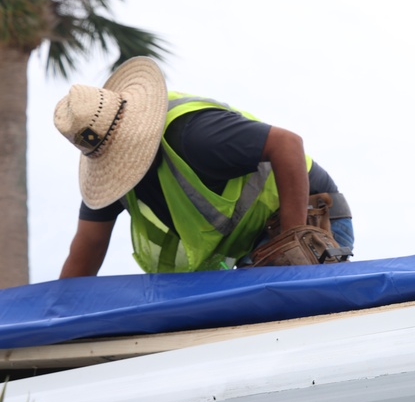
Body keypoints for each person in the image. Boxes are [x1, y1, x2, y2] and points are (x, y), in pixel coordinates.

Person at [54, 56, 354, 277]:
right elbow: (89, 246)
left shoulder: (195, 134)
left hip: (310, 218)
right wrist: (58, 315)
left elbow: (287, 143)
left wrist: (293, 239)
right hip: (252, 245)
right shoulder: (113, 177)